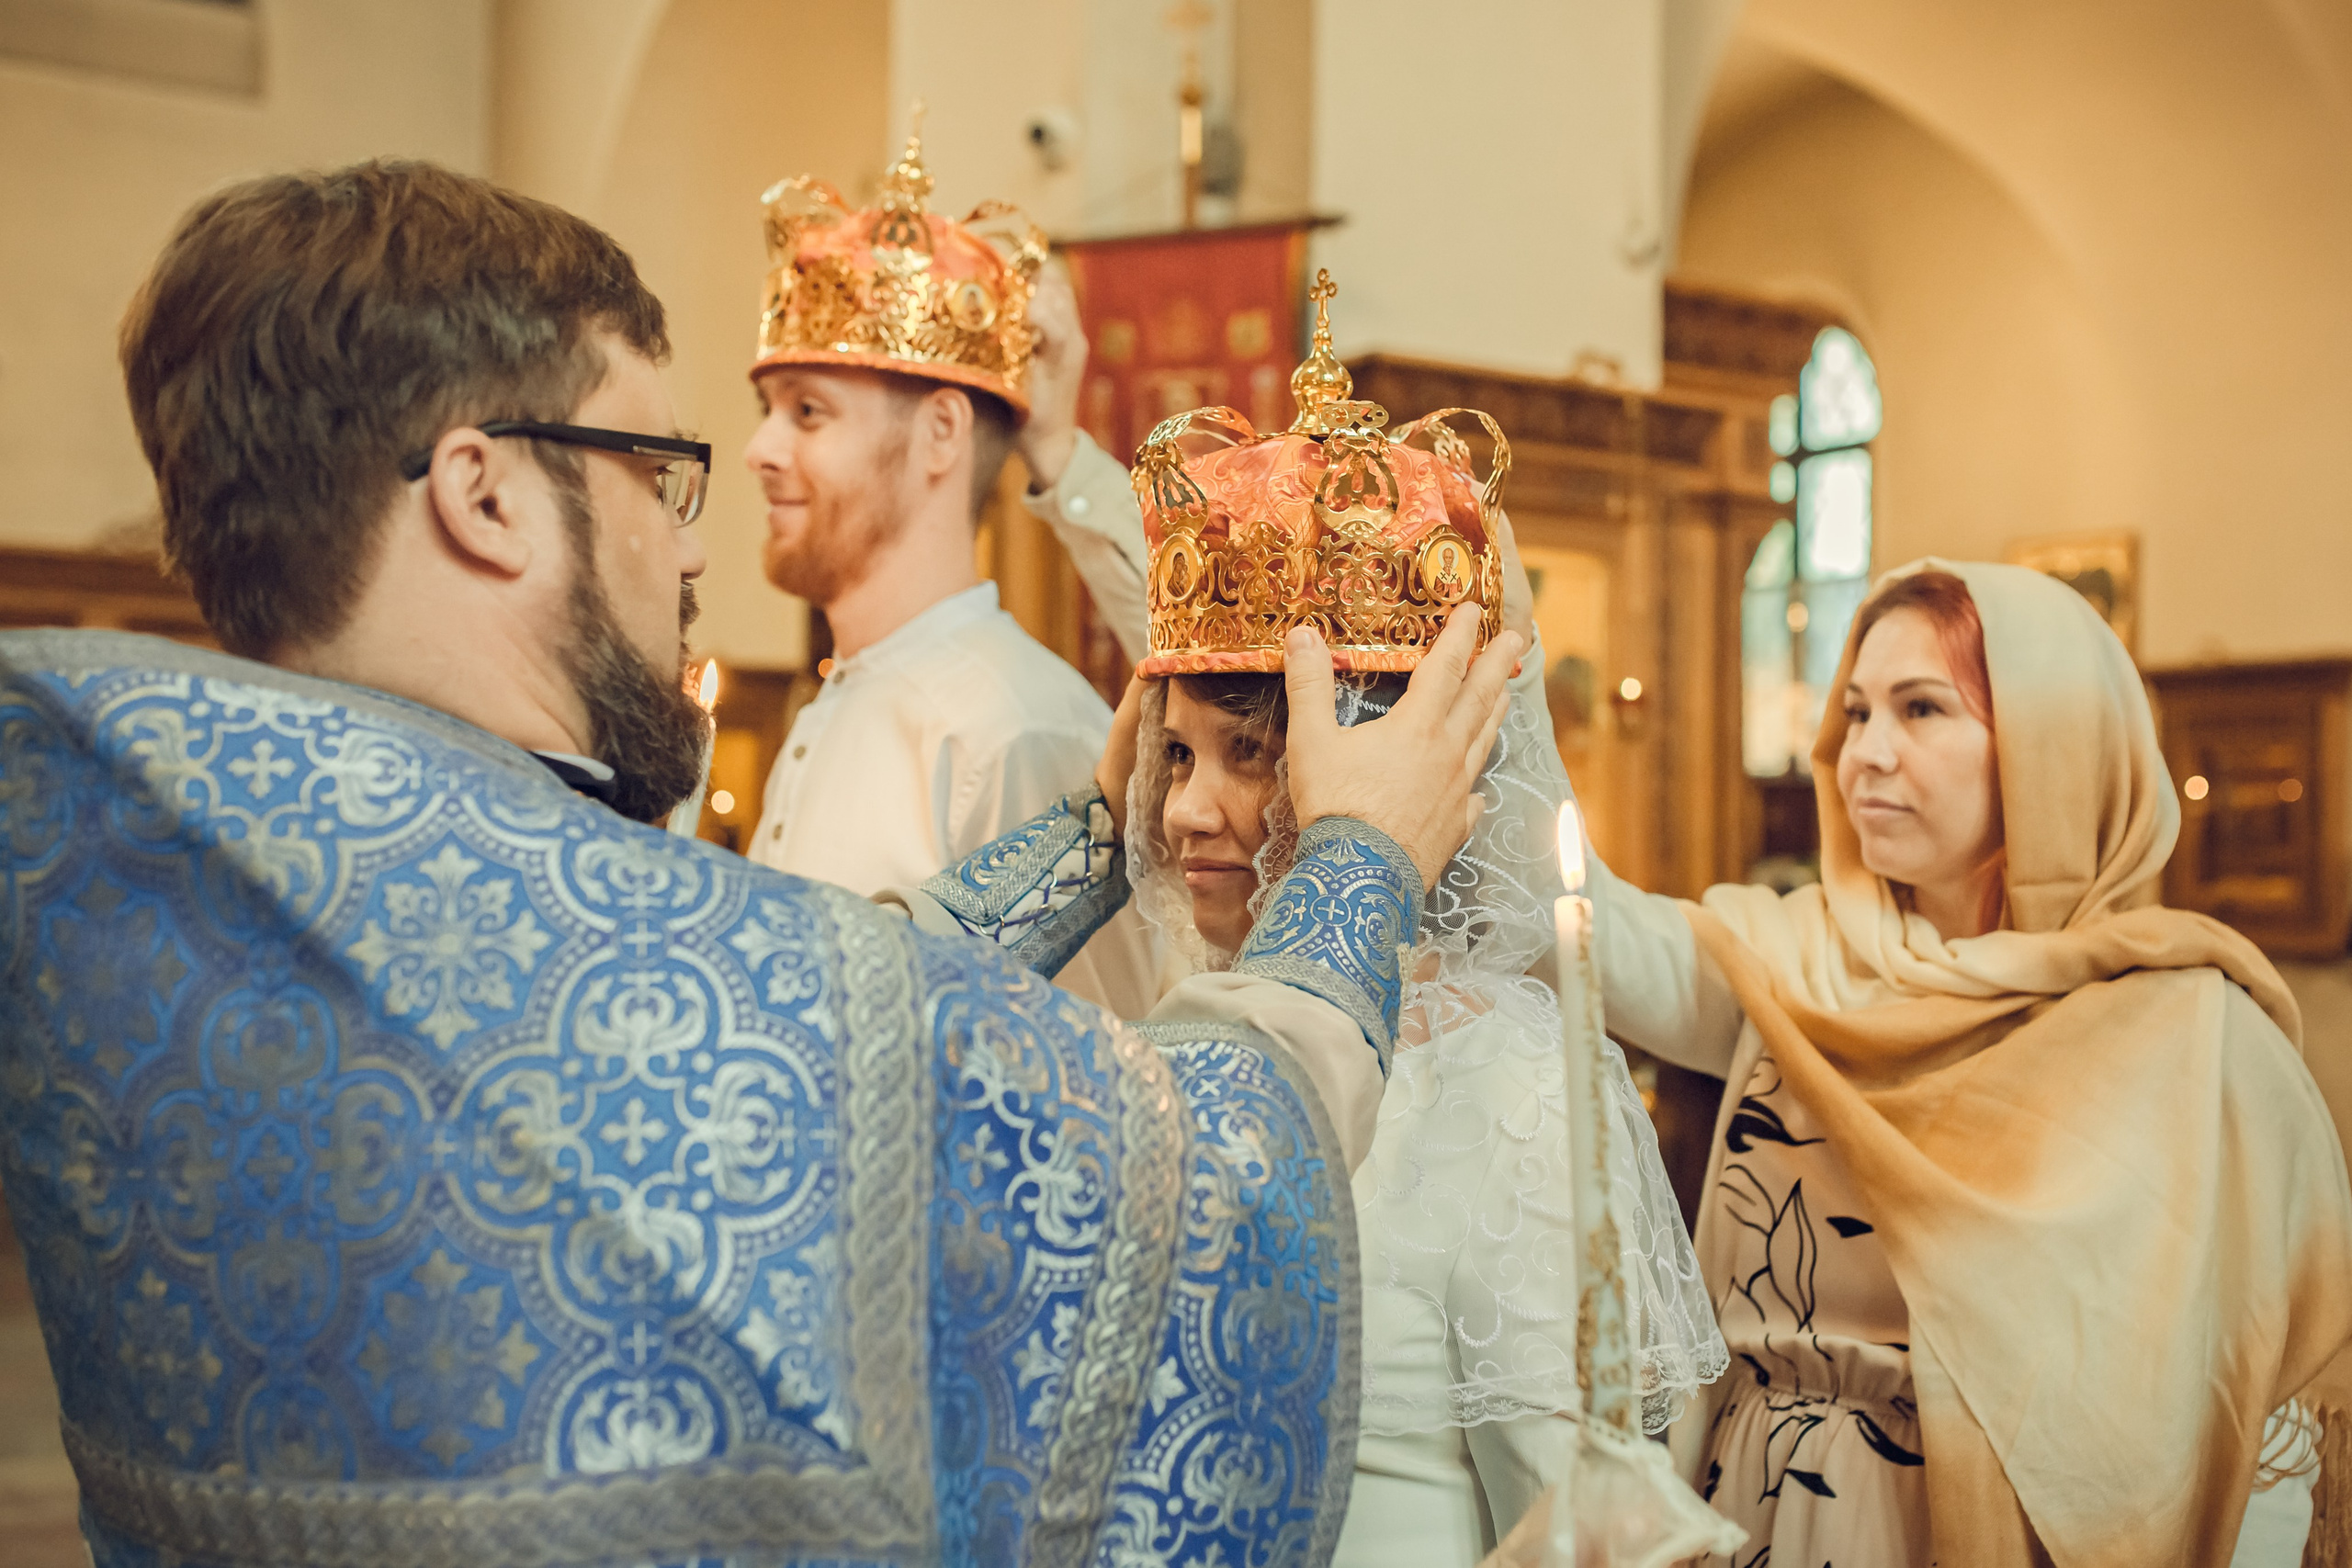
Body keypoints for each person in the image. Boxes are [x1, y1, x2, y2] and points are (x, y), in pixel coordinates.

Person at [0, 159, 1524, 1568]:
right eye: (661, 470)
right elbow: (1196, 1201)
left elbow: (809, 994)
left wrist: (1086, 844)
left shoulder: (156, 879)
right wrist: (1352, 869)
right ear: (481, 494)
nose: (692, 545)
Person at [892, 276, 1731, 1567]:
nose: (1187, 812)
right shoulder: (1170, 1025)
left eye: (1253, 753)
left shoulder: (1503, 1080)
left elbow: (1572, 1528)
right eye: (1174, 757)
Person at [1581, 559, 2352, 1563]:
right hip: (1762, 1513)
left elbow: (2255, 1420)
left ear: (2052, 750)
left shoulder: (2198, 1043)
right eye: (1855, 713)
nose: (1864, 753)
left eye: (1920, 709)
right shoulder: (1789, 965)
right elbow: (1575, 921)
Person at [742, 123, 1156, 1016]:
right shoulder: (842, 699)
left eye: (808, 412)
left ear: (940, 434)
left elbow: (1110, 1077)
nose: (760, 448)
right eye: (768, 409)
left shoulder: (1015, 730)